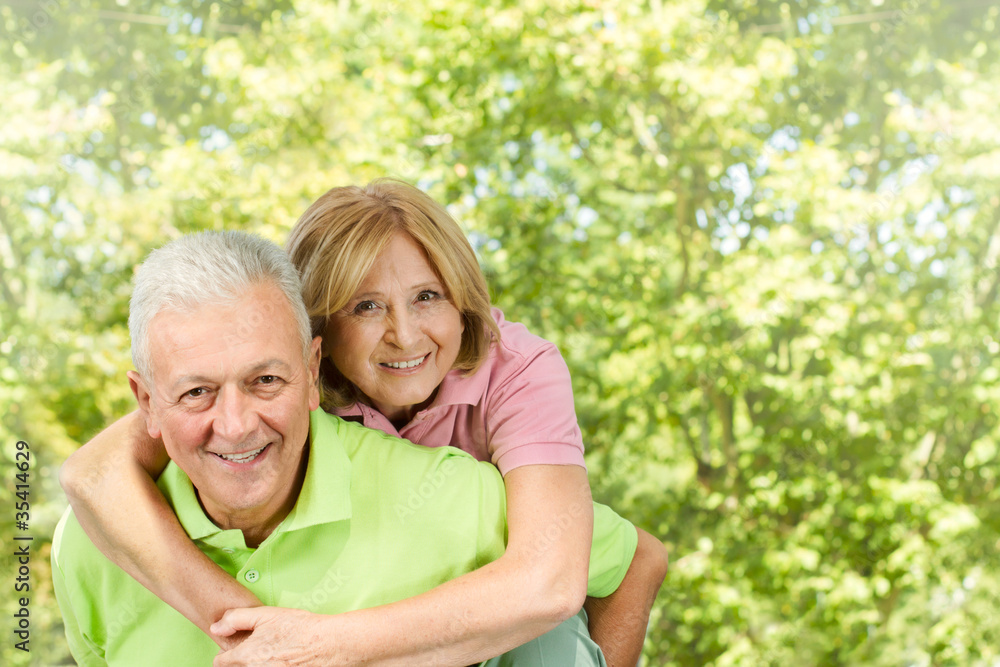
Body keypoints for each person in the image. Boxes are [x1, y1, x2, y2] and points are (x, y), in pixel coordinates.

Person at [60, 180, 669, 666]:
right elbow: (93, 472)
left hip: (529, 587)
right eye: (366, 305)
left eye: (428, 296)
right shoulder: (278, 378)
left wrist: (324, 646)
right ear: (320, 333)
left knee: (548, 644)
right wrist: (245, 627)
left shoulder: (515, 374)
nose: (404, 333)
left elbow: (558, 579)